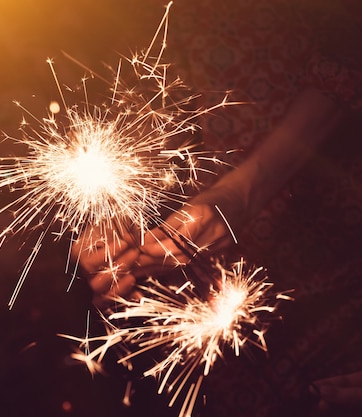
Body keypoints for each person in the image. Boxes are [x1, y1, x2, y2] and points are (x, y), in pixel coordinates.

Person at [74, 0, 362, 416]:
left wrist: (235, 198)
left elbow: (347, 59)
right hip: (213, 330)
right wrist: (114, 214)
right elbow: (143, 93)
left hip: (341, 273)